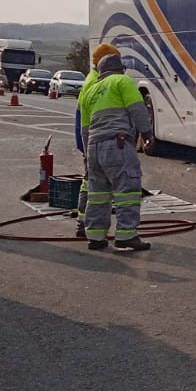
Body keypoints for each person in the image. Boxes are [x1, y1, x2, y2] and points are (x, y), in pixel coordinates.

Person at [78, 45, 153, 251]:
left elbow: (84, 127)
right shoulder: (122, 81)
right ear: (120, 69)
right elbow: (137, 109)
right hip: (117, 144)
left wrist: (87, 154)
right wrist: (146, 133)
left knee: (98, 193)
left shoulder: (89, 90)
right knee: (127, 189)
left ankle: (95, 237)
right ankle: (126, 234)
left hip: (94, 147)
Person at [73, 43, 117, 239]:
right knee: (93, 183)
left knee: (90, 181)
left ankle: (84, 223)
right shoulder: (97, 82)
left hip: (89, 135)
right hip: (91, 135)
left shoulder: (91, 79)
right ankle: (85, 225)